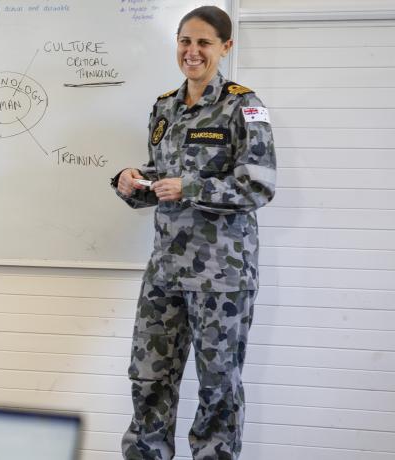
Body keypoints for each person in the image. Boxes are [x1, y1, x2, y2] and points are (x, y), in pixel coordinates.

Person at [110, 6, 276, 460]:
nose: (192, 51)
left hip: (222, 276)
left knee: (218, 386)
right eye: (185, 41)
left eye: (204, 42)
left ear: (225, 47)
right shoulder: (164, 106)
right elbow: (165, 178)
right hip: (165, 273)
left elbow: (259, 184)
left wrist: (190, 186)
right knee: (148, 379)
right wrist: (133, 181)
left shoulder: (245, 105)